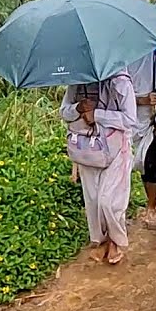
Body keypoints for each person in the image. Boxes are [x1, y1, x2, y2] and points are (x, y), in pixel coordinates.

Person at [60, 70, 137, 265]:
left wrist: (97, 115)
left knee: (110, 201)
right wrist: (79, 108)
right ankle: (101, 240)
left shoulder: (121, 82)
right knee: (93, 200)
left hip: (117, 148)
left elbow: (129, 119)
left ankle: (116, 241)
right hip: (86, 148)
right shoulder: (77, 81)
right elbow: (64, 112)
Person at [127, 52, 156, 222]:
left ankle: (151, 204)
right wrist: (139, 100)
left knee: (151, 165)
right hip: (120, 124)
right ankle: (122, 208)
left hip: (149, 123)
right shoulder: (117, 58)